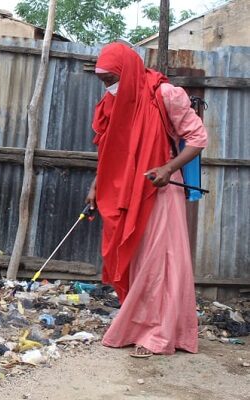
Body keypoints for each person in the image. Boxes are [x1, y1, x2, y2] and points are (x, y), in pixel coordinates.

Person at [85, 43, 208, 357]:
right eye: (102, 80)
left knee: (159, 261)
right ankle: (138, 325)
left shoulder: (164, 95)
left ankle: (159, 334)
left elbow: (197, 137)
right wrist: (96, 185)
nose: (107, 86)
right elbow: (110, 149)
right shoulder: (112, 101)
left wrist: (168, 168)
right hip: (123, 190)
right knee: (133, 258)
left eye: (111, 78)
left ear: (127, 71)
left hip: (159, 189)